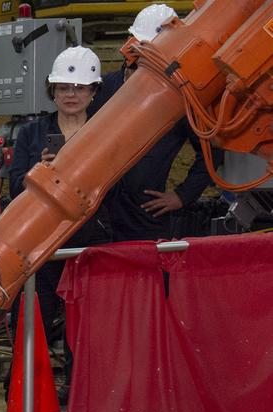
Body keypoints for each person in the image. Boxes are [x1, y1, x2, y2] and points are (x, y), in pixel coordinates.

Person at [9, 47, 110, 399]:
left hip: (89, 242)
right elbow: (14, 187)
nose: (71, 94)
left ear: (94, 92)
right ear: (52, 90)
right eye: (64, 86)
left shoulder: (105, 133)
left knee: (88, 329)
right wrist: (40, 170)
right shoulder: (33, 134)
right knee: (32, 320)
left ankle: (85, 397)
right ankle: (23, 401)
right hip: (42, 244)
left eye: (80, 87)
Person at [93, 5, 211, 242]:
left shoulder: (181, 98)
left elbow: (212, 153)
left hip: (144, 217)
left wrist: (183, 195)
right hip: (98, 214)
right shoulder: (103, 88)